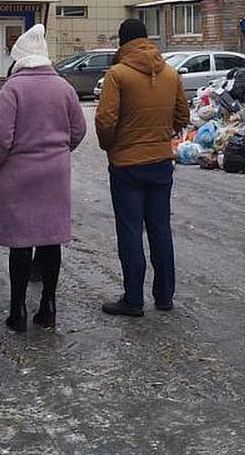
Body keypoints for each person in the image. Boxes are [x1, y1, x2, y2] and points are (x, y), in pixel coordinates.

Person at [0, 25, 86, 332]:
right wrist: (58, 151)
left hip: (19, 173)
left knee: (20, 244)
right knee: (50, 239)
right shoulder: (64, 88)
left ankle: (17, 310)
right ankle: (48, 305)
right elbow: (79, 130)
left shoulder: (12, 89)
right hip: (54, 174)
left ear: (20, 58)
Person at [94, 18, 189, 317]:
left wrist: (110, 145)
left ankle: (133, 299)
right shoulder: (170, 74)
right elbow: (182, 116)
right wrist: (164, 135)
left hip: (127, 165)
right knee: (160, 229)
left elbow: (105, 120)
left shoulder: (117, 75)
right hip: (161, 163)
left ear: (123, 43)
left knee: (131, 231)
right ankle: (164, 297)